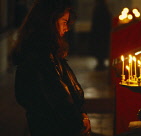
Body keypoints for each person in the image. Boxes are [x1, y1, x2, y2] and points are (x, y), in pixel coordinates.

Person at [12, 0, 91, 135]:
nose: (67, 28)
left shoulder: (51, 54)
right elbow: (56, 101)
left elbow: (67, 93)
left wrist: (81, 115)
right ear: (49, 21)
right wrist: (78, 122)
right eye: (64, 22)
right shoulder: (39, 59)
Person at [90, 0, 112, 70]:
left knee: (100, 49)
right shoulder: (101, 8)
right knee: (101, 48)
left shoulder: (98, 8)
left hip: (99, 33)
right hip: (101, 33)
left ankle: (101, 63)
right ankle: (100, 63)